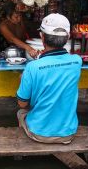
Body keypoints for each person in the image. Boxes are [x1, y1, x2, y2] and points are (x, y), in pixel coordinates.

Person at [16, 13, 82, 144]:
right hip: (68, 134)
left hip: (39, 133)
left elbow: (22, 103)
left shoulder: (32, 67)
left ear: (42, 37)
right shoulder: (77, 61)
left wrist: (23, 78)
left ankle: (24, 147)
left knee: (21, 112)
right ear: (68, 37)